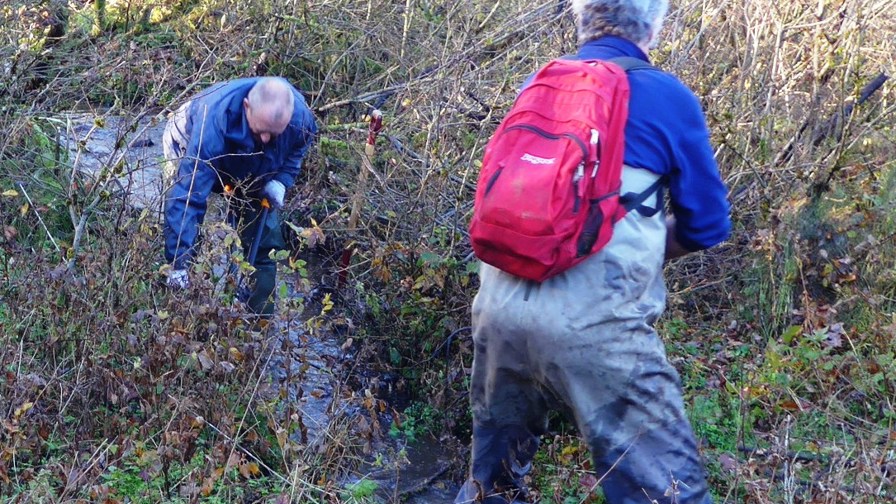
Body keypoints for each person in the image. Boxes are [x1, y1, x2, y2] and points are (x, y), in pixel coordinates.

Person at [455, 0, 731, 503]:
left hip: (499, 315)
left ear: (580, 20)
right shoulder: (668, 97)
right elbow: (708, 224)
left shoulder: (535, 87)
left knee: (489, 483)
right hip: (596, 327)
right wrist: (636, 246)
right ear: (654, 26)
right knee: (670, 493)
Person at [161, 76, 318, 316]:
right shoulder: (214, 122)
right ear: (247, 107)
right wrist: (178, 264)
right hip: (186, 141)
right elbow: (188, 197)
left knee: (264, 236)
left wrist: (281, 180)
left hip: (253, 160)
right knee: (183, 223)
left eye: (274, 134)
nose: (267, 139)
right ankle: (178, 305)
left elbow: (298, 149)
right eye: (262, 131)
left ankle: (259, 320)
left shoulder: (300, 120)